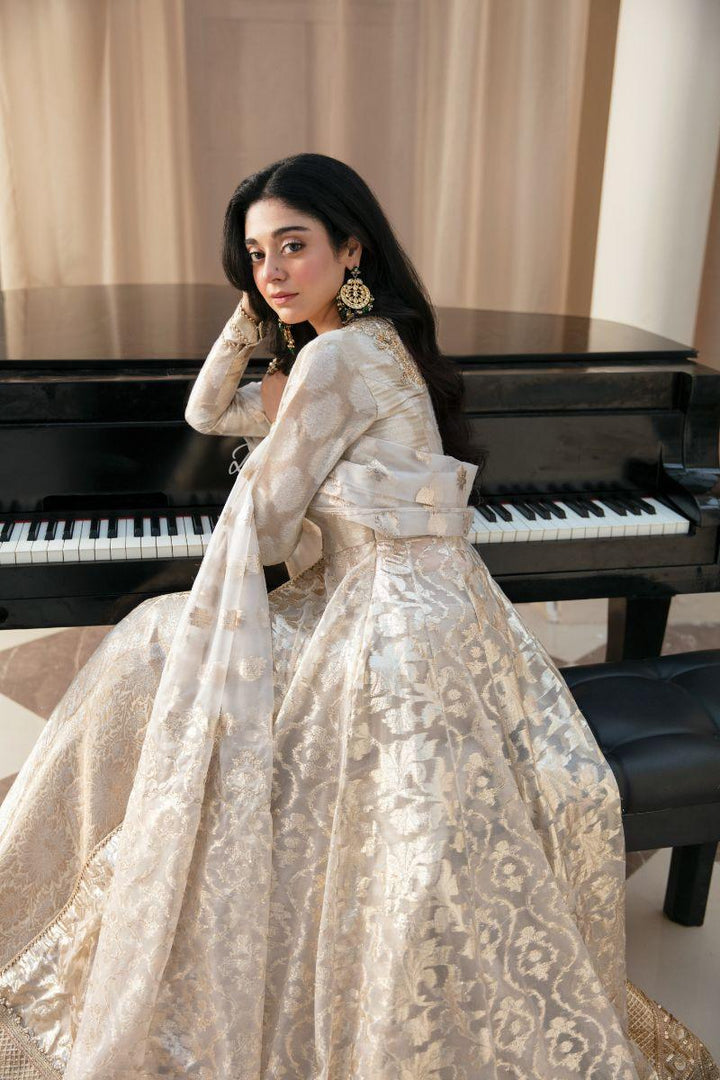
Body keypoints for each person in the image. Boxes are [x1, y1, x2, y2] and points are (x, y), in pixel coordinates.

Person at [0, 153, 716, 1080]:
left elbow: (267, 522)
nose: (273, 270)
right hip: (439, 606)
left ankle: (112, 898)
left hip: (385, 625)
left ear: (351, 248)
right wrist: (255, 320)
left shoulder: (334, 358)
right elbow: (207, 411)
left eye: (293, 246)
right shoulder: (372, 342)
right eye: (256, 255)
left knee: (153, 651)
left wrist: (277, 430)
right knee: (167, 654)